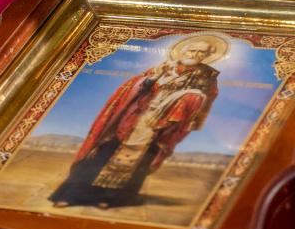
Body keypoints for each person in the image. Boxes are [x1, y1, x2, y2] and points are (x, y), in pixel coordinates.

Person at [49, 35, 222, 209]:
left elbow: (205, 101)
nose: (195, 55)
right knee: (102, 155)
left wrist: (188, 99)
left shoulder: (207, 76)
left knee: (139, 164)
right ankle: (72, 195)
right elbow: (136, 86)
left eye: (202, 52)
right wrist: (151, 79)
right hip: (134, 118)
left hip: (163, 126)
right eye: (193, 50)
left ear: (207, 56)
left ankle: (109, 198)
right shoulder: (164, 67)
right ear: (184, 51)